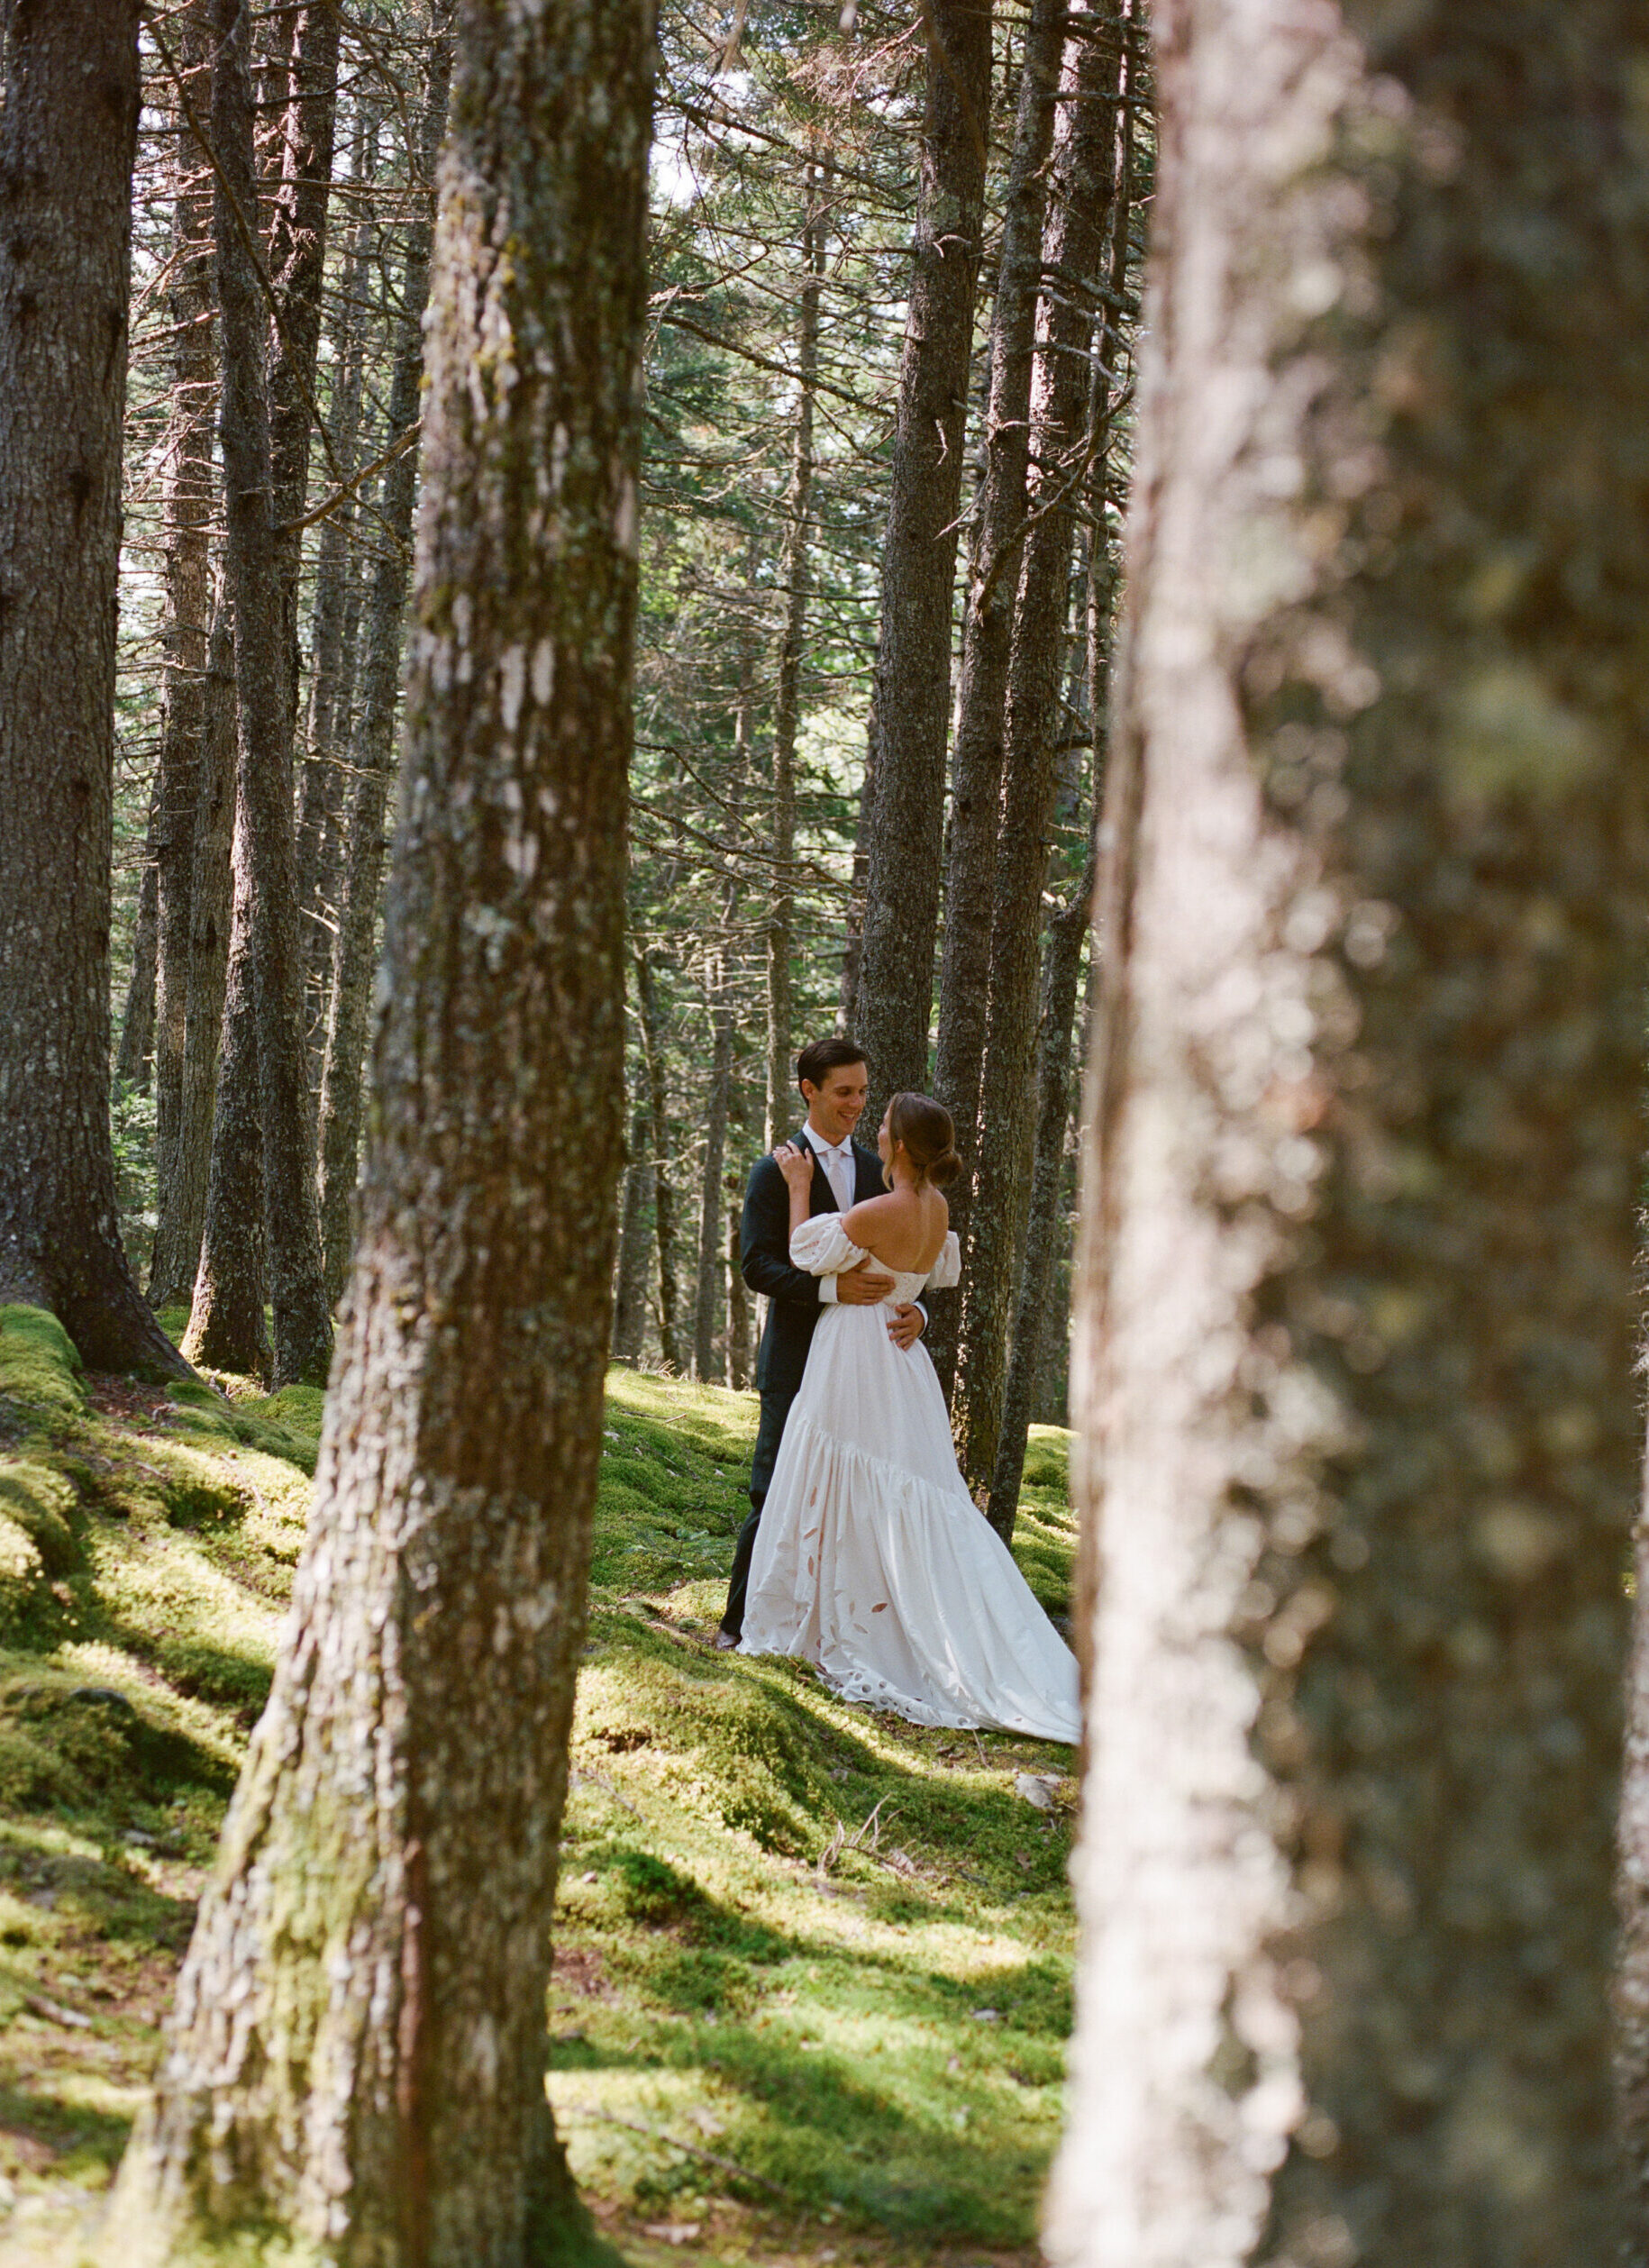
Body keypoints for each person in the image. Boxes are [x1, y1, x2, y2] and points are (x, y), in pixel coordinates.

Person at [737, 1091, 1080, 1744]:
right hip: (902, 1361)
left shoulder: (882, 1208)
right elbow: (930, 1274)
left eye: (884, 1125)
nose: (874, 1124)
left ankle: (855, 1624)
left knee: (844, 1471)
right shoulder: (935, 1207)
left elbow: (806, 1250)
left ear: (897, 1146)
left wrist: (801, 1185)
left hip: (857, 1355)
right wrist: (916, 1308)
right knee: (898, 1484)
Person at [715, 1038, 927, 1649]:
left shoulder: (878, 1170)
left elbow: (908, 1259)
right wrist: (833, 1287)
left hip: (867, 1366)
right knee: (775, 1486)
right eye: (844, 1091)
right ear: (809, 1089)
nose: (857, 1103)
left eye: (864, 1090)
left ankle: (836, 1629)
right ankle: (738, 1624)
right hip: (795, 1358)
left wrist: (920, 1314)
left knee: (858, 1495)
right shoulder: (773, 1170)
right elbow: (758, 1266)